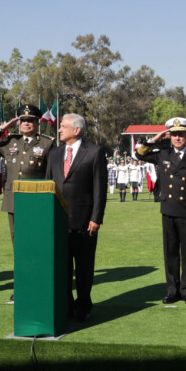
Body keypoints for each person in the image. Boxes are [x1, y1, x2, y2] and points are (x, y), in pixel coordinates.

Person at [136, 117, 186, 305]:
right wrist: (155, 139)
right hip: (168, 209)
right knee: (170, 253)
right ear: (170, 136)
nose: (178, 138)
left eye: (181, 134)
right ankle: (172, 290)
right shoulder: (162, 154)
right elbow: (140, 154)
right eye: (174, 134)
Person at [45, 114, 108, 321]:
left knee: (84, 267)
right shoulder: (54, 154)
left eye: (63, 127)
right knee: (62, 267)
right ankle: (66, 303)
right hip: (58, 221)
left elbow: (100, 188)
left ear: (77, 130)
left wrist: (96, 218)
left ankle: (83, 304)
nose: (60, 130)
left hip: (84, 221)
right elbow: (48, 185)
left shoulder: (94, 152)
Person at [0, 104, 54, 242]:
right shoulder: (11, 141)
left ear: (37, 123)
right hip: (14, 197)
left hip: (36, 198)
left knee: (36, 234)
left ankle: (35, 263)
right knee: (16, 235)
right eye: (23, 121)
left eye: (30, 120)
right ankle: (20, 264)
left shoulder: (47, 143)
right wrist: (1, 129)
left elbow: (51, 172)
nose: (26, 123)